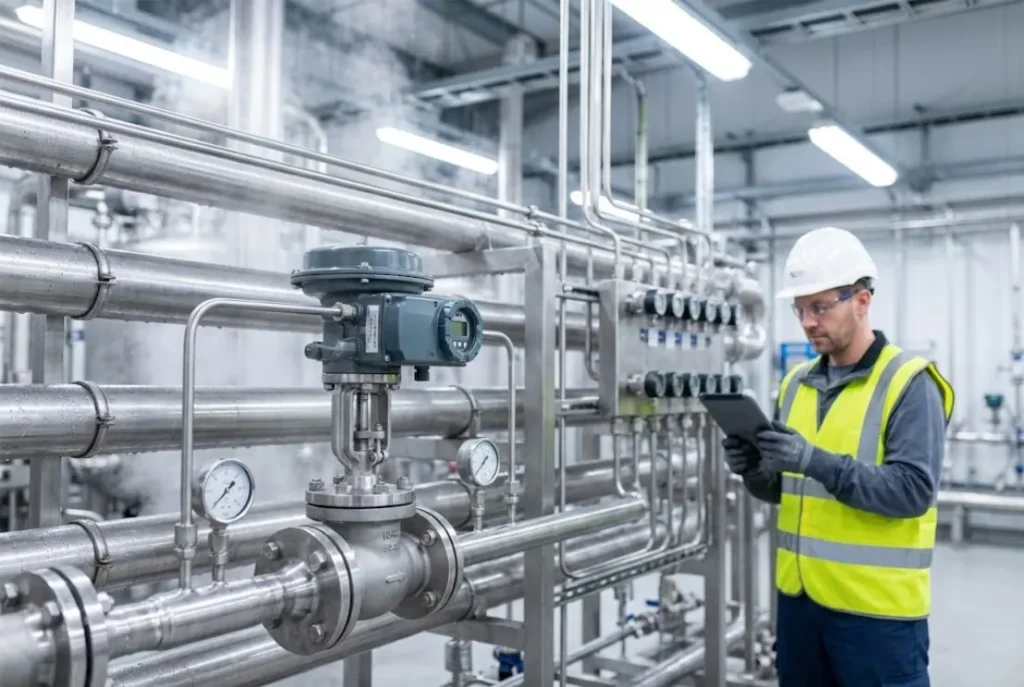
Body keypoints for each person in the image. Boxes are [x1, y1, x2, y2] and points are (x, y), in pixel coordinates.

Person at [723, 227, 954, 687]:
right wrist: (753, 471)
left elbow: (912, 491)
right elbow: (787, 491)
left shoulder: (909, 383)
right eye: (800, 309)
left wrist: (815, 461)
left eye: (821, 307)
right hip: (799, 605)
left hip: (876, 615)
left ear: (862, 301)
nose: (808, 321)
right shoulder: (795, 383)